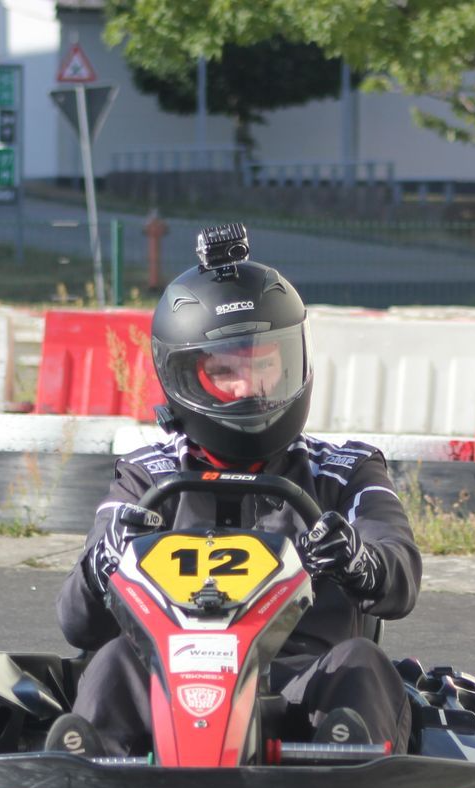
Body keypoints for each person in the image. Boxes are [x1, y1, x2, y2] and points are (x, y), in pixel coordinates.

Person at [46, 224, 420, 758]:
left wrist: (359, 560)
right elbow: (76, 622)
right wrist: (103, 562)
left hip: (300, 689)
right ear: (185, 378)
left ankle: (347, 774)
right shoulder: (147, 478)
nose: (249, 387)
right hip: (169, 687)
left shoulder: (346, 470)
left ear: (292, 362)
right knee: (110, 660)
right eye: (225, 370)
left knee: (362, 663)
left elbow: (400, 574)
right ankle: (88, 778)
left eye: (263, 364)